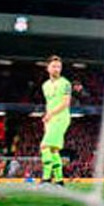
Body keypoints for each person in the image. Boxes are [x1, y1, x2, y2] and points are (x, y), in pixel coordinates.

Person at [40, 56, 71, 186]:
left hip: (61, 117)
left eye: (58, 67)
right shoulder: (45, 85)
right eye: (53, 66)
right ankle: (59, 181)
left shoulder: (66, 83)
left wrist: (51, 114)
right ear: (47, 68)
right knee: (53, 150)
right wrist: (47, 117)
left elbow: (66, 103)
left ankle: (46, 179)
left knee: (44, 146)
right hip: (51, 119)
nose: (56, 69)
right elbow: (49, 104)